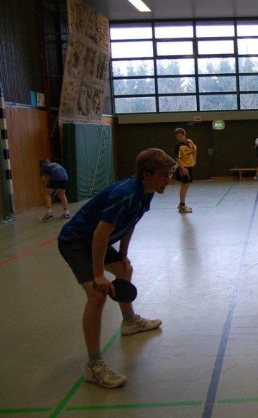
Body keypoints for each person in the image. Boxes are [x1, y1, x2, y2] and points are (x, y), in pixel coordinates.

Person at [58, 148, 176, 389]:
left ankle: (129, 322)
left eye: (170, 175)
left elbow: (131, 221)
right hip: (76, 242)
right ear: (146, 174)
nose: (169, 181)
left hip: (95, 240)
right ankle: (94, 366)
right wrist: (98, 274)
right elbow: (100, 234)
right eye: (164, 175)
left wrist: (122, 254)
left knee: (124, 271)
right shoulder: (125, 194)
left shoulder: (147, 192)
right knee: (97, 295)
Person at [173, 128, 197, 213]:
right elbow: (177, 159)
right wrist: (183, 168)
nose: (178, 138)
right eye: (177, 136)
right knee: (184, 185)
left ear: (184, 135)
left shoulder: (190, 142)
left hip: (189, 166)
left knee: (186, 185)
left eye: (180, 136)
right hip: (183, 168)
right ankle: (182, 205)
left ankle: (182, 204)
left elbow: (195, 150)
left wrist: (194, 161)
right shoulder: (178, 146)